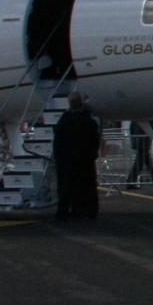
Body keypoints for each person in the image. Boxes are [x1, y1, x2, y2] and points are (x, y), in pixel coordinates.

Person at [53, 93, 101, 221]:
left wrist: (58, 158)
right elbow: (95, 141)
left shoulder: (64, 122)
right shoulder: (90, 122)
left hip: (67, 160)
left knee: (66, 187)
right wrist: (92, 155)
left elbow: (58, 141)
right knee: (87, 186)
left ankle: (63, 212)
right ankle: (89, 211)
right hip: (85, 159)